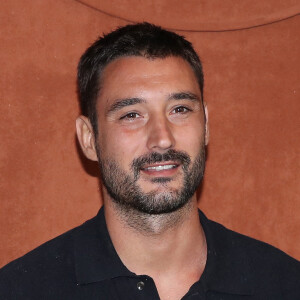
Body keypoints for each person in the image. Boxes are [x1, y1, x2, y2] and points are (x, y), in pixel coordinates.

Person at [0, 22, 299, 300]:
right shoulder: (21, 289)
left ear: (206, 125)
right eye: (132, 115)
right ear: (89, 138)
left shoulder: (284, 284)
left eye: (180, 109)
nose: (162, 138)